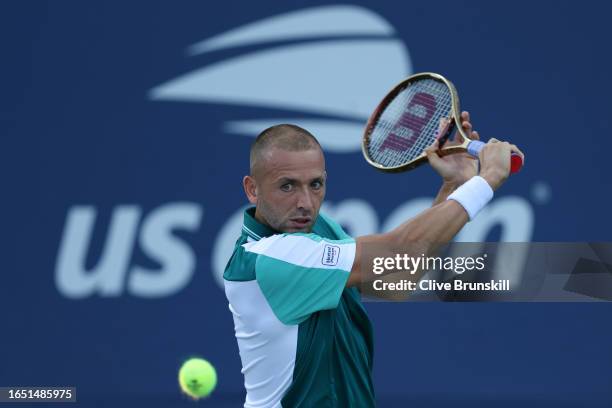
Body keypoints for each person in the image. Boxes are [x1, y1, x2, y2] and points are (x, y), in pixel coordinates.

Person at [223, 114, 524, 407]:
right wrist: (489, 178)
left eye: (315, 185)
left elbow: (398, 281)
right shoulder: (267, 260)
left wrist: (456, 185)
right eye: (287, 186)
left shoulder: (318, 228)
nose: (305, 202)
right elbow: (399, 251)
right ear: (253, 189)